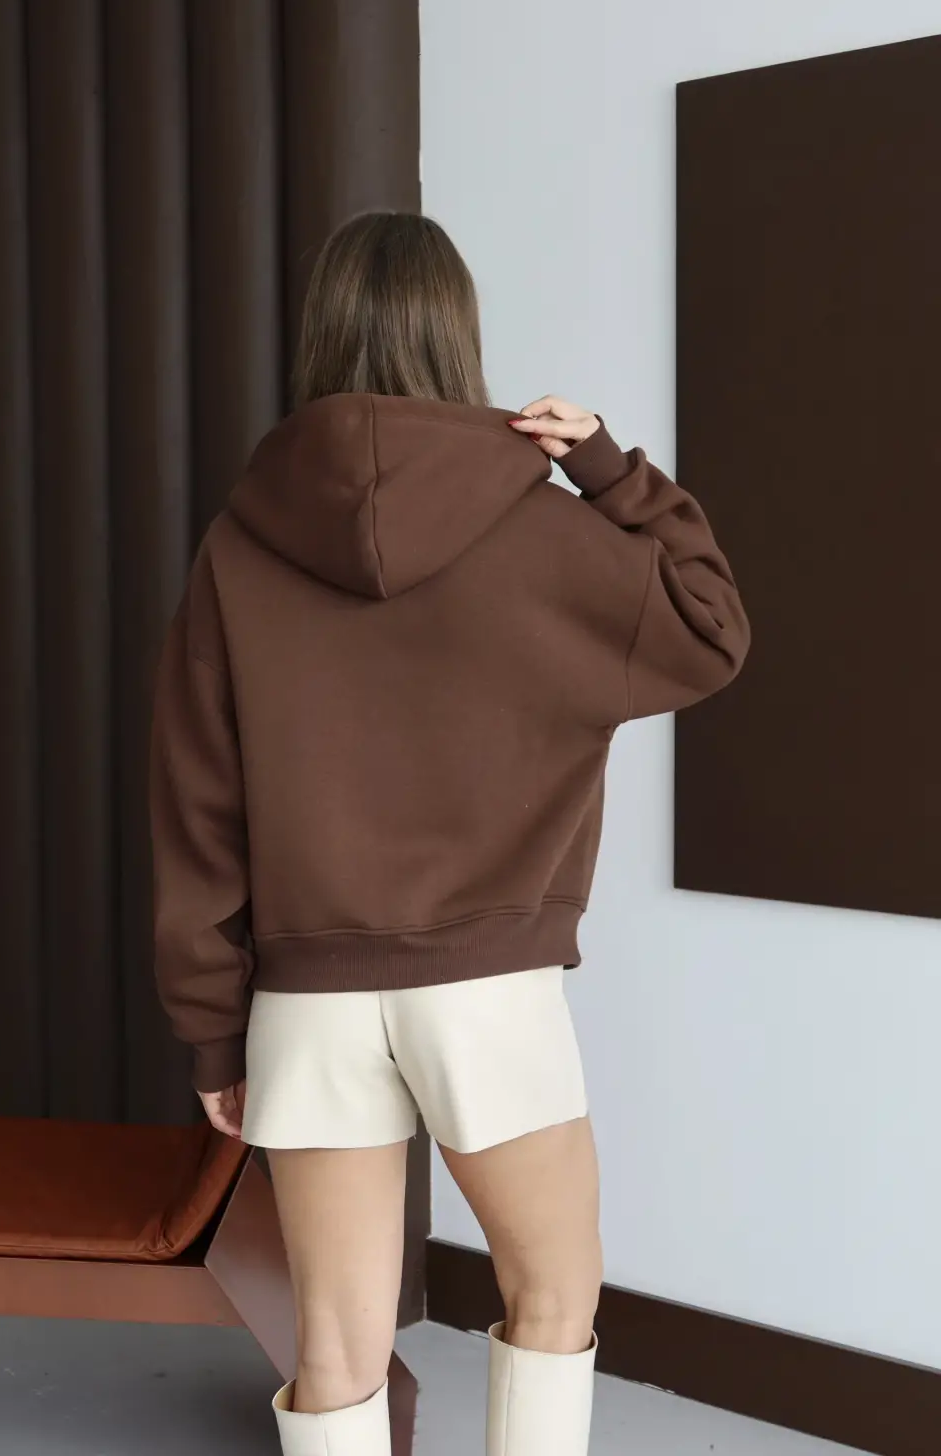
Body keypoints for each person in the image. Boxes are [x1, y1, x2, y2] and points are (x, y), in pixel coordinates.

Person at [150, 212, 749, 1456]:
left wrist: (213, 1029)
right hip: (487, 993)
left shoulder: (235, 547)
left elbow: (196, 806)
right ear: (455, 336)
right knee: (551, 1296)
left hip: (309, 997)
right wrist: (609, 470)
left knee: (334, 1353)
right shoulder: (545, 533)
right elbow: (712, 631)